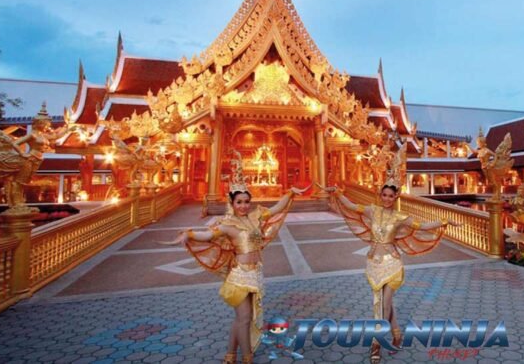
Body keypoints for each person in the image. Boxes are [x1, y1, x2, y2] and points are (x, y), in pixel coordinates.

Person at [162, 151, 308, 363]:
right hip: (240, 275)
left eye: (247, 201)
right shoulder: (228, 225)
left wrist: (290, 193)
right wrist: (189, 234)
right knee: (245, 318)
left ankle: (230, 356)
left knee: (241, 319)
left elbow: (276, 208)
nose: (244, 206)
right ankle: (247, 358)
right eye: (239, 202)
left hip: (256, 272)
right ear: (232, 202)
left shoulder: (256, 216)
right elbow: (208, 235)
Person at [324, 177, 460, 364]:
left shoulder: (400, 217)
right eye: (384, 195)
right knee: (382, 303)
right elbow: (351, 206)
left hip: (392, 263)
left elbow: (422, 226)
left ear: (396, 197)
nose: (387, 198)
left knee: (383, 305)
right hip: (373, 263)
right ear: (381, 195)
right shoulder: (372, 210)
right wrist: (337, 192)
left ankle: (376, 344)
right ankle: (397, 334)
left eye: (390, 195)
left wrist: (445, 221)